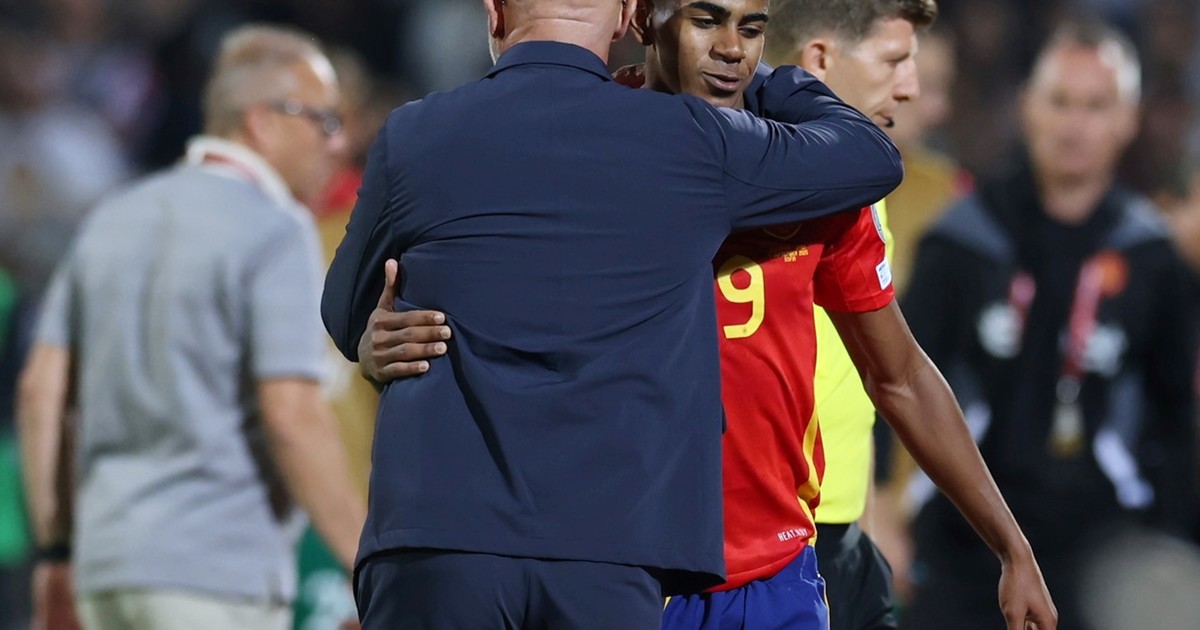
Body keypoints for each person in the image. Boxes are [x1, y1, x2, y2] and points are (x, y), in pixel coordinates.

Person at [351, 1, 1056, 629]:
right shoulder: (589, 144)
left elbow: (898, 375)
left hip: (771, 572)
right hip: (627, 566)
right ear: (642, 18)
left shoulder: (815, 182)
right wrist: (371, 340)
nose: (731, 48)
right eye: (705, 19)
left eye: (752, 27)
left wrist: (1012, 545)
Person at [17, 25, 366, 630]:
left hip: (105, 576)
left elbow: (40, 393)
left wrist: (55, 553)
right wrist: (369, 565)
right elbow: (291, 415)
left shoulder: (112, 216)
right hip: (213, 576)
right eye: (323, 121)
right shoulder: (275, 227)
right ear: (262, 122)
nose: (337, 143)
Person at [901, 20, 1199, 630]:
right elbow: (895, 384)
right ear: (1027, 106)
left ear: (1128, 120)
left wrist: (1171, 538)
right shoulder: (959, 240)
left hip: (1106, 553)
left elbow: (1176, 419)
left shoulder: (1151, 256)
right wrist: (885, 508)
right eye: (1060, 101)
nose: (1074, 124)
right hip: (964, 541)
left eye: (1096, 105)